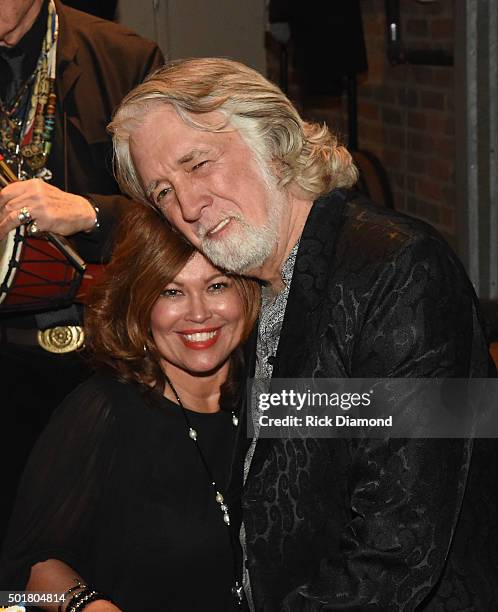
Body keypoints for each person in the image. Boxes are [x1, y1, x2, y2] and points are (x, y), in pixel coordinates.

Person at [108, 58, 498, 610]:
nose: (189, 206)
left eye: (198, 164)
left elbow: (397, 548)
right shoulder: (259, 291)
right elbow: (311, 461)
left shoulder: (399, 269)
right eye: (164, 192)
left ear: (273, 139)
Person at [0, 202, 260, 611]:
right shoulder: (103, 413)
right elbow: (15, 580)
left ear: (248, 290)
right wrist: (88, 606)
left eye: (217, 286)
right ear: (139, 305)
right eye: (171, 291)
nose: (198, 313)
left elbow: (395, 415)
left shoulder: (277, 396)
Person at [0, 0, 163, 542]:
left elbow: (180, 212)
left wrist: (90, 213)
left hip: (101, 361)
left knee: (95, 547)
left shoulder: (126, 59)